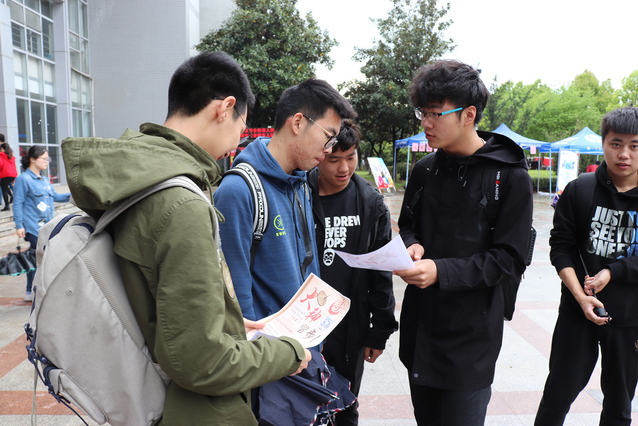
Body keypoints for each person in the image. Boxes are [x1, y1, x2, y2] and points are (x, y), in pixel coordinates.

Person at [60, 51, 311, 425]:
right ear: (225, 108)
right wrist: (289, 353)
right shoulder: (182, 204)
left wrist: (228, 324)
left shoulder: (137, 178)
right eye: (242, 127)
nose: (236, 142)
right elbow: (203, 362)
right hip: (189, 410)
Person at [395, 59, 534, 426]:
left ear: (468, 114)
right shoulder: (425, 169)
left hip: (471, 340)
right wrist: (412, 245)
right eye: (422, 113)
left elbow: (509, 259)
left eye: (435, 113)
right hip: (421, 331)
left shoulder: (510, 177)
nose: (425, 123)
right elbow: (408, 225)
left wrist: (440, 272)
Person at [214, 78, 357, 322]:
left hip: (305, 337)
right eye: (328, 136)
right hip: (269, 345)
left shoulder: (301, 182)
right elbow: (236, 299)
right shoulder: (238, 190)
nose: (329, 149)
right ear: (298, 122)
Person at [534, 107, 638, 426]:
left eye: (635, 146)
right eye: (616, 143)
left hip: (629, 320)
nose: (624, 154)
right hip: (576, 313)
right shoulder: (580, 189)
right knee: (556, 398)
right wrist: (581, 297)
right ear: (603, 143)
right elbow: (561, 248)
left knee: (619, 407)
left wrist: (612, 271)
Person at [307, 120, 398, 425]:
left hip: (349, 328)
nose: (344, 168)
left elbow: (380, 270)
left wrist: (380, 330)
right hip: (305, 323)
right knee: (303, 405)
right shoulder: (300, 192)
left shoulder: (370, 203)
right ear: (320, 155)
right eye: (334, 159)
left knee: (346, 405)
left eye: (351, 157)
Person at [13, 146, 70, 301]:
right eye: (44, 158)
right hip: (33, 227)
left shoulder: (44, 179)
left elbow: (55, 196)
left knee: (41, 258)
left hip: (47, 226)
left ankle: (35, 290)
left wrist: (73, 195)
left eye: (48, 159)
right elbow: (17, 203)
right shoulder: (23, 179)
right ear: (33, 159)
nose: (47, 161)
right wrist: (19, 225)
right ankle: (31, 291)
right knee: (37, 258)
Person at [0, 140, 18, 210]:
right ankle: (11, 196)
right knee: (4, 185)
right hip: (12, 175)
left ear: (2, 148)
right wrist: (13, 179)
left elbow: (0, 164)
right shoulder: (11, 156)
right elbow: (14, 166)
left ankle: (7, 206)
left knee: (4, 190)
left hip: (5, 174)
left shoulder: (1, 155)